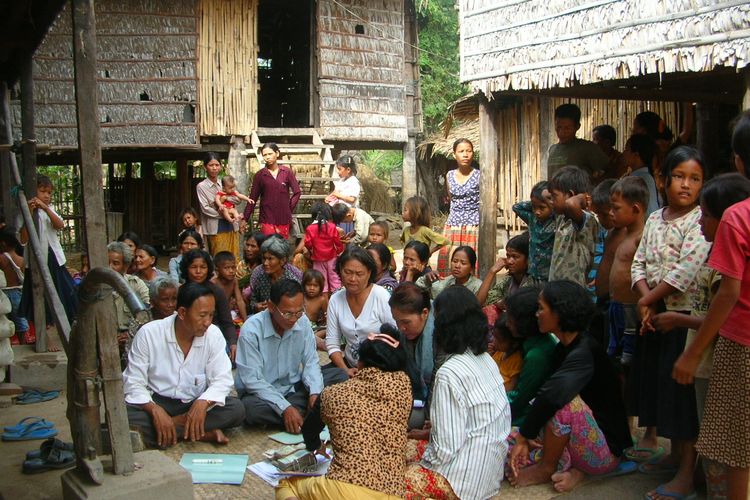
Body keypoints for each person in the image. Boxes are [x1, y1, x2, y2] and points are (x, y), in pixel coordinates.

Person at [674, 111, 750, 500]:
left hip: (741, 346)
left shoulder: (738, 217)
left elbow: (729, 293)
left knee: (738, 451)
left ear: (738, 159)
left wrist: (693, 353)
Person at [631, 146, 710, 500]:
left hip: (683, 320)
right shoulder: (654, 218)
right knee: (661, 390)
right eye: (679, 176)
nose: (685, 185)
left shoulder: (699, 221)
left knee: (682, 400)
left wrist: (647, 299)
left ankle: (687, 472)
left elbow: (687, 269)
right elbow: (639, 262)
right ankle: (676, 457)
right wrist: (645, 300)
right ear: (664, 180)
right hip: (653, 318)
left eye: (694, 179)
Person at [508, 281, 632, 493]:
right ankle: (572, 469)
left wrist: (525, 436)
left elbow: (553, 396)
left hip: (605, 452)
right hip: (581, 438)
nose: (536, 314)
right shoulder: (564, 347)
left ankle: (547, 468)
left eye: (541, 308)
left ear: (559, 312)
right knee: (505, 441)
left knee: (563, 404)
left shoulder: (584, 351)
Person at [276, 327, 414, 499]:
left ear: (359, 363)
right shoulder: (404, 388)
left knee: (287, 484)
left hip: (340, 490)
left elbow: (309, 430)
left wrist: (316, 446)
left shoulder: (332, 394)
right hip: (392, 494)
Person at [404, 286, 510, 500]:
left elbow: (445, 450)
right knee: (405, 447)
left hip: (463, 481)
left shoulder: (449, 372)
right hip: (490, 473)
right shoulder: (485, 360)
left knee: (388, 480)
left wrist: (420, 465)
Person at [123, 282, 245, 448]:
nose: (207, 322)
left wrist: (203, 403)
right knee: (122, 416)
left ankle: (170, 430)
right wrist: (154, 410)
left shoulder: (213, 334)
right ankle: (198, 433)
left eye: (211, 315)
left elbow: (222, 379)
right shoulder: (149, 333)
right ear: (182, 312)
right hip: (157, 400)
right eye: (202, 315)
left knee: (236, 410)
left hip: (193, 403)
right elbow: (133, 382)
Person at [236, 279, 347, 431]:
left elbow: (311, 362)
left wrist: (315, 393)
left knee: (340, 375)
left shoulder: (302, 322)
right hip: (262, 395)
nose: (294, 319)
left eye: (299, 312)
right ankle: (301, 415)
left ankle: (297, 415)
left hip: (293, 387)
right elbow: (253, 381)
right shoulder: (251, 330)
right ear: (271, 307)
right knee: (248, 409)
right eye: (288, 313)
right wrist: (285, 408)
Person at [19, 175, 78, 350]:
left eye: (49, 193)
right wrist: (30, 212)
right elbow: (23, 238)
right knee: (39, 298)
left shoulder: (48, 209)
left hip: (54, 258)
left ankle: (62, 332)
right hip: (36, 260)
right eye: (43, 191)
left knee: (67, 293)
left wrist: (45, 207)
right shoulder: (26, 211)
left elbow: (60, 225)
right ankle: (46, 336)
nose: (47, 195)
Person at [325, 248, 395, 377]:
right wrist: (345, 370)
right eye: (347, 272)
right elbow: (332, 343)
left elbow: (395, 338)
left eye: (359, 274)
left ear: (369, 273)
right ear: (340, 270)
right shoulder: (336, 299)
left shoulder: (381, 296)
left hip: (381, 370)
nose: (352, 278)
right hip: (349, 367)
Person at [607, 177, 648, 368]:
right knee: (614, 355)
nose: (611, 213)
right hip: (616, 306)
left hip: (631, 309)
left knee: (627, 360)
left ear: (636, 209)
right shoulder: (621, 234)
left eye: (616, 208)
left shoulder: (642, 238)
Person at [504, 287, 557, 426]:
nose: (507, 324)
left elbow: (519, 400)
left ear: (524, 322)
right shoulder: (533, 343)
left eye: (510, 320)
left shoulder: (537, 356)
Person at [180, 249, 238, 360]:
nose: (198, 271)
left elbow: (226, 321)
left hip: (211, 333)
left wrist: (232, 342)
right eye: (193, 267)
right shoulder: (181, 292)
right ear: (186, 269)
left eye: (203, 267)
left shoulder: (216, 291)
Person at [547, 166, 599, 286]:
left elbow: (571, 204)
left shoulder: (586, 219)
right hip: (557, 285)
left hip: (573, 289)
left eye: (554, 196)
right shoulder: (562, 218)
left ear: (571, 195)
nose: (551, 201)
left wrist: (582, 197)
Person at [437, 138, 480, 276]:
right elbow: (451, 199)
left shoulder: (480, 175)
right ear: (454, 155)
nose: (465, 154)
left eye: (469, 151)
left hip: (473, 225)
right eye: (461, 151)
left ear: (473, 153)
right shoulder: (449, 175)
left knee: (470, 259)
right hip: (453, 224)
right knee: (448, 259)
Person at [388, 282, 434, 408]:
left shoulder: (441, 337)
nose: (401, 328)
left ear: (425, 313)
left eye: (406, 322)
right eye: (396, 321)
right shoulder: (402, 337)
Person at [244, 143, 302, 239]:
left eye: (270, 154)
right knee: (268, 247)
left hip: (283, 218)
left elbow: (297, 192)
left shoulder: (286, 172)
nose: (268, 157)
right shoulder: (260, 175)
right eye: (265, 155)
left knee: (281, 248)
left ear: (277, 153)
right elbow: (252, 198)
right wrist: (245, 218)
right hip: (267, 218)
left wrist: (288, 208)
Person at [108, 241, 151, 360]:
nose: (109, 267)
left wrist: (129, 335)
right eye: (107, 263)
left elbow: (147, 314)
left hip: (131, 340)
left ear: (125, 266)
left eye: (115, 263)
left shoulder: (136, 284)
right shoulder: (95, 287)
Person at [547, 103, 609, 180]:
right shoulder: (552, 149)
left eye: (567, 128)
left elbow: (609, 170)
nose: (562, 132)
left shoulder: (587, 148)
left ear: (577, 127)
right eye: (559, 127)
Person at [196, 152, 240, 258]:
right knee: (219, 257)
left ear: (221, 166)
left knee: (234, 255)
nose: (214, 168)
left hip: (231, 225)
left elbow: (238, 199)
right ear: (205, 167)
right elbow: (205, 208)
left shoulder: (225, 182)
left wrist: (226, 199)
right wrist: (225, 214)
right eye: (211, 165)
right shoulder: (201, 186)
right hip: (215, 226)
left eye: (217, 165)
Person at [244, 236, 302, 314]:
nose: (265, 263)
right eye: (264, 258)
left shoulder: (292, 281)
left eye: (270, 259)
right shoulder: (259, 276)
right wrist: (256, 306)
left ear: (282, 261)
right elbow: (253, 301)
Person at [477, 232, 536, 307]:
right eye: (508, 256)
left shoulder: (534, 282)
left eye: (515, 257)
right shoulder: (508, 281)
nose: (509, 261)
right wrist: (492, 271)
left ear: (528, 259)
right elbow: (480, 302)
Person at [512, 181, 555, 282]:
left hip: (549, 274)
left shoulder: (557, 220)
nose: (537, 212)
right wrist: (535, 202)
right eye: (534, 207)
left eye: (542, 208)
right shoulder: (532, 219)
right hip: (532, 272)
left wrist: (547, 201)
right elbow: (516, 207)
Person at [304, 202, 343, 293]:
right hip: (331, 256)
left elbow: (308, 243)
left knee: (321, 279)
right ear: (328, 214)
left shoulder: (310, 228)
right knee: (334, 278)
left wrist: (311, 251)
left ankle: (323, 300)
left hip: (318, 258)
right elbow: (337, 242)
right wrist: (339, 251)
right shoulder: (332, 227)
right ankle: (337, 297)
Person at [416, 245, 482, 300]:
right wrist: (426, 279)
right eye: (455, 261)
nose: (457, 266)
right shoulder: (447, 282)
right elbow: (418, 287)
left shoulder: (477, 286)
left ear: (472, 267)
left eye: (463, 263)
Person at [0, 228, 27, 343]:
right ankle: (23, 342)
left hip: (5, 292)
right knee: (20, 320)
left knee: (4, 321)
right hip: (18, 292)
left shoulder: (2, 258)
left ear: (3, 243)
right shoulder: (21, 259)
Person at [622, 134, 660, 214]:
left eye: (626, 149)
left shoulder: (643, 179)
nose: (624, 153)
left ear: (636, 155)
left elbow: (650, 210)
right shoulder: (637, 176)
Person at [211, 251, 247, 323]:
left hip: (226, 315)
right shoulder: (213, 283)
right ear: (217, 270)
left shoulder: (234, 281)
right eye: (226, 268)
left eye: (233, 267)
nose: (231, 271)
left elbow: (239, 300)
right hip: (213, 317)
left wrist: (246, 321)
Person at [491, 315, 523, 392]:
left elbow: (512, 387)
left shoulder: (516, 360)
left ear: (514, 343)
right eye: (494, 336)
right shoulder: (499, 352)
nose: (494, 341)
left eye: (499, 340)